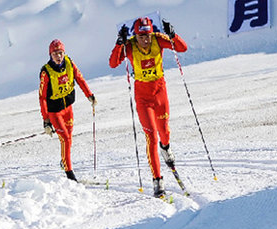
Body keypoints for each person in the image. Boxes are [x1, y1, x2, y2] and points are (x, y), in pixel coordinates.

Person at [109, 17, 188, 198]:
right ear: (135, 35)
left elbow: (182, 48)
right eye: (142, 36)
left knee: (164, 131)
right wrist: (118, 43)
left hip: (160, 92)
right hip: (143, 96)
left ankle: (166, 147)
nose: (146, 40)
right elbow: (113, 63)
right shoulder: (129, 46)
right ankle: (157, 180)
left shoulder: (158, 39)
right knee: (151, 136)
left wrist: (172, 34)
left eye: (148, 35)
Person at [39, 39, 96, 182]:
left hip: (68, 108)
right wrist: (46, 121)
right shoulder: (46, 71)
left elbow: (79, 78)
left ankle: (64, 161)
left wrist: (89, 95)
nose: (58, 56)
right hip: (55, 112)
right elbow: (42, 97)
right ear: (50, 55)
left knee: (69, 139)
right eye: (55, 54)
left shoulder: (69, 63)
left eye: (60, 53)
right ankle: (69, 173)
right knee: (65, 138)